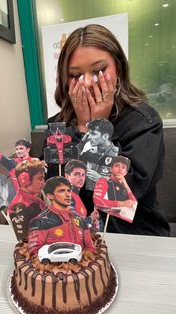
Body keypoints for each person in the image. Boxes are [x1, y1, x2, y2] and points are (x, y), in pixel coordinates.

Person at [46, 24, 170, 236]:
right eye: (75, 74)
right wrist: (83, 127)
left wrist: (98, 129)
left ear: (118, 68)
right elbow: (52, 188)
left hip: (135, 235)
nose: (86, 82)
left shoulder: (143, 122)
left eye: (99, 71)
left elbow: (124, 197)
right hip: (75, 237)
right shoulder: (58, 126)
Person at [28, 176, 96, 255]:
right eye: (62, 191)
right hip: (52, 265)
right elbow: (35, 253)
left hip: (80, 264)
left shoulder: (80, 219)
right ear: (50, 195)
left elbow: (90, 248)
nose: (68, 195)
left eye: (69, 191)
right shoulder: (40, 222)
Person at [7, 158, 47, 244]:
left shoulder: (34, 199)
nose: (43, 182)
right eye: (40, 178)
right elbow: (24, 242)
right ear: (25, 180)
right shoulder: (20, 207)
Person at [77, 118, 118, 190]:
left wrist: (102, 179)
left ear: (105, 136)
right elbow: (71, 162)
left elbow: (123, 184)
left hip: (106, 198)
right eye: (89, 134)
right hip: (88, 197)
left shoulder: (117, 154)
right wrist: (82, 143)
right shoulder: (90, 152)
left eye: (93, 134)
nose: (89, 137)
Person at [93, 156, 137, 223]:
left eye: (123, 167)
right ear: (111, 169)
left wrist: (126, 185)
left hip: (122, 221)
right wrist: (122, 203)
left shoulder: (124, 186)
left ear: (125, 173)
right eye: (117, 166)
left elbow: (134, 205)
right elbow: (97, 201)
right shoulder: (104, 181)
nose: (120, 169)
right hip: (103, 219)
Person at [0, 126, 32, 191]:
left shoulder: (35, 163)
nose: (18, 151)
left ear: (28, 149)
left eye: (21, 148)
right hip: (21, 198)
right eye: (17, 149)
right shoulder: (12, 164)